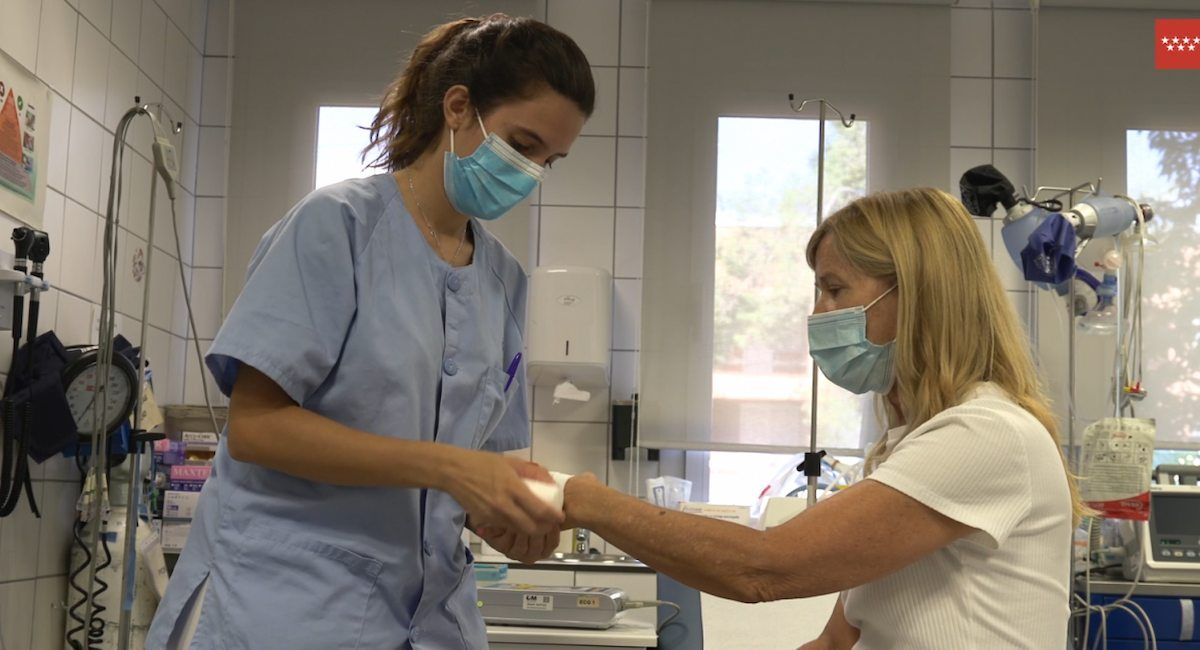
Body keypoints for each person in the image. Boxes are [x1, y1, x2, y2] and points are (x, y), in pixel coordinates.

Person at [146, 14, 594, 649]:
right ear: (459, 108)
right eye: (521, 146)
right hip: (289, 606)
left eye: (550, 161)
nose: (530, 175)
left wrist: (509, 522)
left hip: (431, 618)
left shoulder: (504, 282)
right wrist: (450, 469)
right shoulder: (338, 227)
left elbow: (474, 476)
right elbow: (255, 427)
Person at [562, 188, 1084, 649]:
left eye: (835, 290)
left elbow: (765, 568)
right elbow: (838, 640)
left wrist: (586, 501)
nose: (817, 314)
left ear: (919, 296)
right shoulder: (905, 447)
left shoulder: (985, 434)